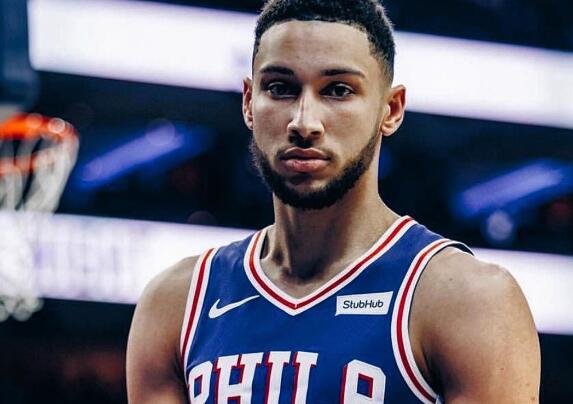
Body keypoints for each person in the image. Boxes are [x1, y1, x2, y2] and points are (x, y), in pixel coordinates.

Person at [126, 0, 541, 402]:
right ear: (249, 103)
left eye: (338, 90)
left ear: (391, 109)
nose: (304, 122)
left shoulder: (468, 298)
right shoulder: (176, 303)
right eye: (280, 88)